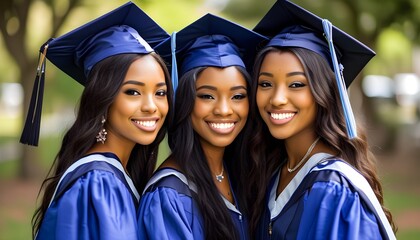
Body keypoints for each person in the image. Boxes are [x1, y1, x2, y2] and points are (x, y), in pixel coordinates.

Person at [246, 1, 397, 239]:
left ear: (324, 92)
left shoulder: (335, 188)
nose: (277, 98)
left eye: (296, 84)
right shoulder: (273, 173)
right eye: (265, 84)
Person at [21, 3, 173, 239]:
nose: (151, 106)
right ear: (102, 99)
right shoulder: (99, 184)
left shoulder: (110, 174)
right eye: (133, 92)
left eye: (160, 93)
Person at [137, 14, 266, 240]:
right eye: (207, 96)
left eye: (237, 96)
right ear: (184, 100)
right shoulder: (169, 196)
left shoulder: (238, 175)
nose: (224, 110)